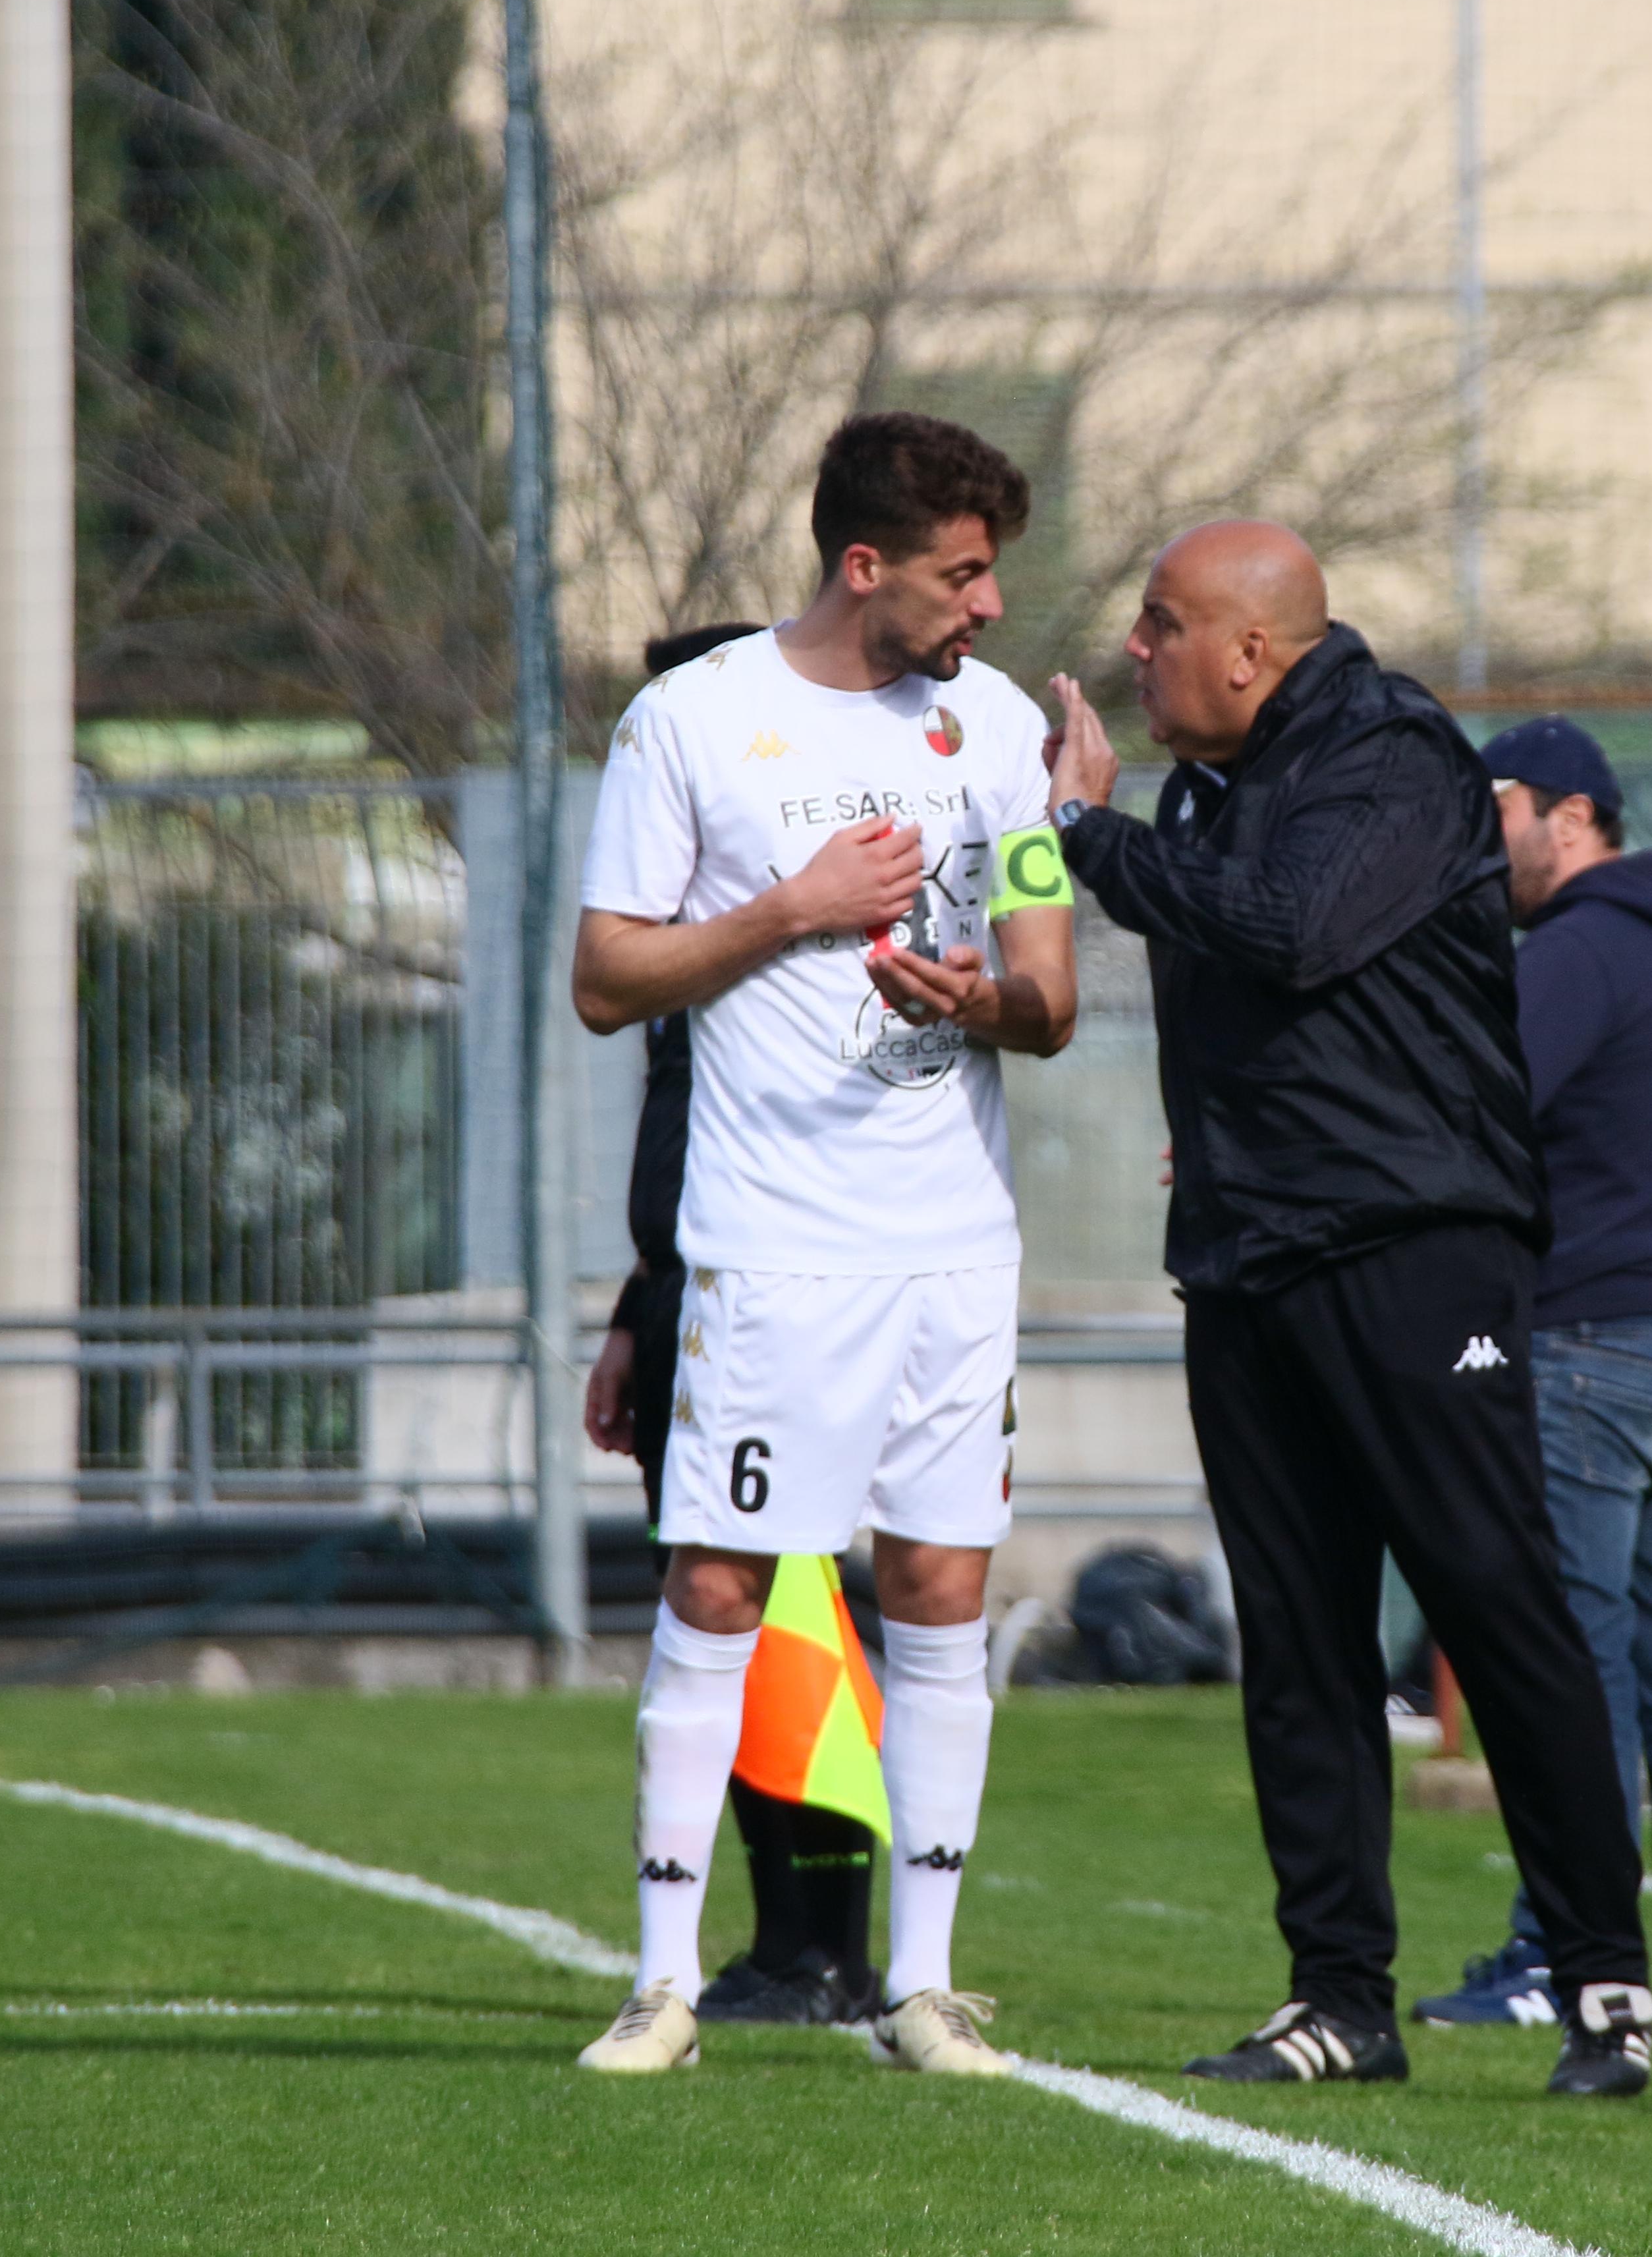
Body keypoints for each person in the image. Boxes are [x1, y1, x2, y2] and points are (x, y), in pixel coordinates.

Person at [1043, 520, 1652, 2099]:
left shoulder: (1392, 754)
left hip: (1414, 1250)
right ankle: (1339, 2000)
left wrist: (1084, 831)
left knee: (1492, 1599)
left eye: (1162, 623)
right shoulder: (1209, 790)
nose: (1137, 649)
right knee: (1300, 1640)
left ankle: (1601, 1983)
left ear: (1252, 650)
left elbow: (1293, 928)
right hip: (1248, 1258)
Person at [568, 414, 1079, 2078]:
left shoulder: (999, 731)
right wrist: (791, 908)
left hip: (952, 1256)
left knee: (939, 1587)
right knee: (719, 1583)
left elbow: (1051, 995)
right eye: (963, 573)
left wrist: (979, 1000)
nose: (988, 605)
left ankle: (921, 1988)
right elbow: (605, 977)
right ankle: (662, 1983)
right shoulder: (693, 721)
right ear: (866, 567)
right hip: (772, 1248)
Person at [1409, 713, 1652, 2040]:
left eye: (1494, 809)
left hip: (1581, 1348)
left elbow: (1473, 1119)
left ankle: (1560, 1956)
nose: (1479, 841)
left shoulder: (1576, 950)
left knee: (1575, 1666)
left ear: (1571, 815)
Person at [582, 619, 886, 2030]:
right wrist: (634, 1309)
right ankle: (783, 1936)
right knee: (733, 1611)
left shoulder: (792, 928)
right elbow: (676, 1137)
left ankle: (827, 1943)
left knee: (782, 1607)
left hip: (774, 1297)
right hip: (690, 1293)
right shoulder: (693, 931)